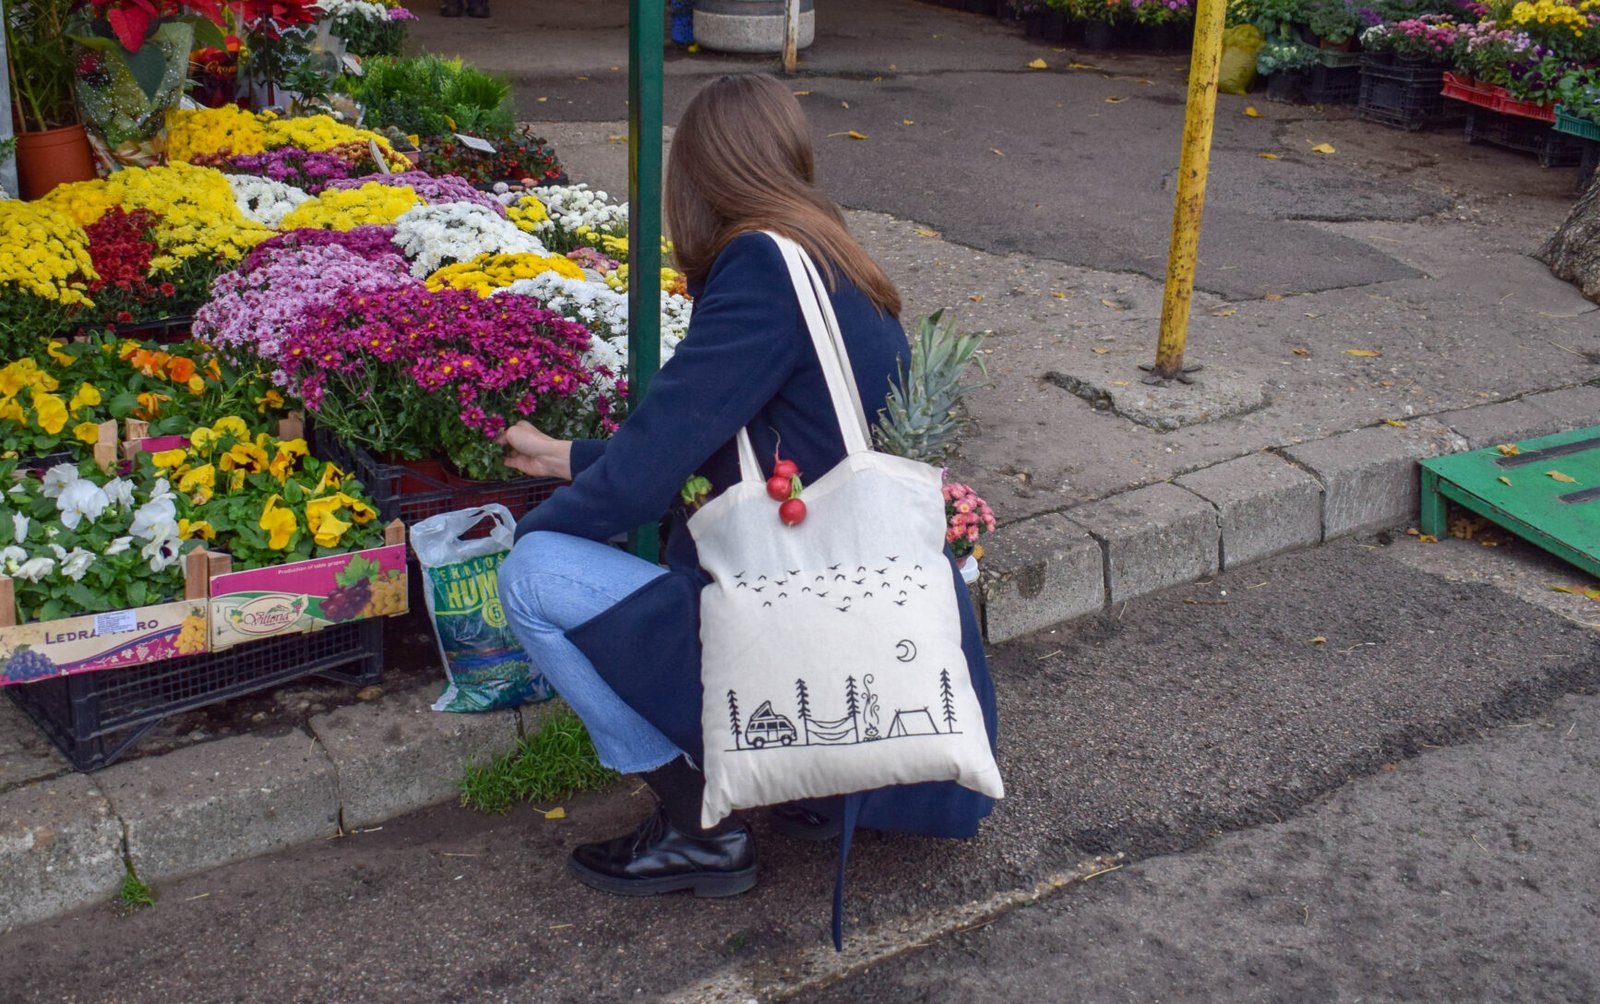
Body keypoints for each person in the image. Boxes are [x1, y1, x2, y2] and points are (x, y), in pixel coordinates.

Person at [495, 73, 998, 900]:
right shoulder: (836, 258)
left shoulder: (759, 265)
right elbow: (714, 430)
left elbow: (647, 477)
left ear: (698, 179)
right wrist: (567, 458)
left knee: (535, 577)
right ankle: (817, 783)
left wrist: (535, 528)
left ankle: (699, 825)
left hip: (789, 610)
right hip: (852, 598)